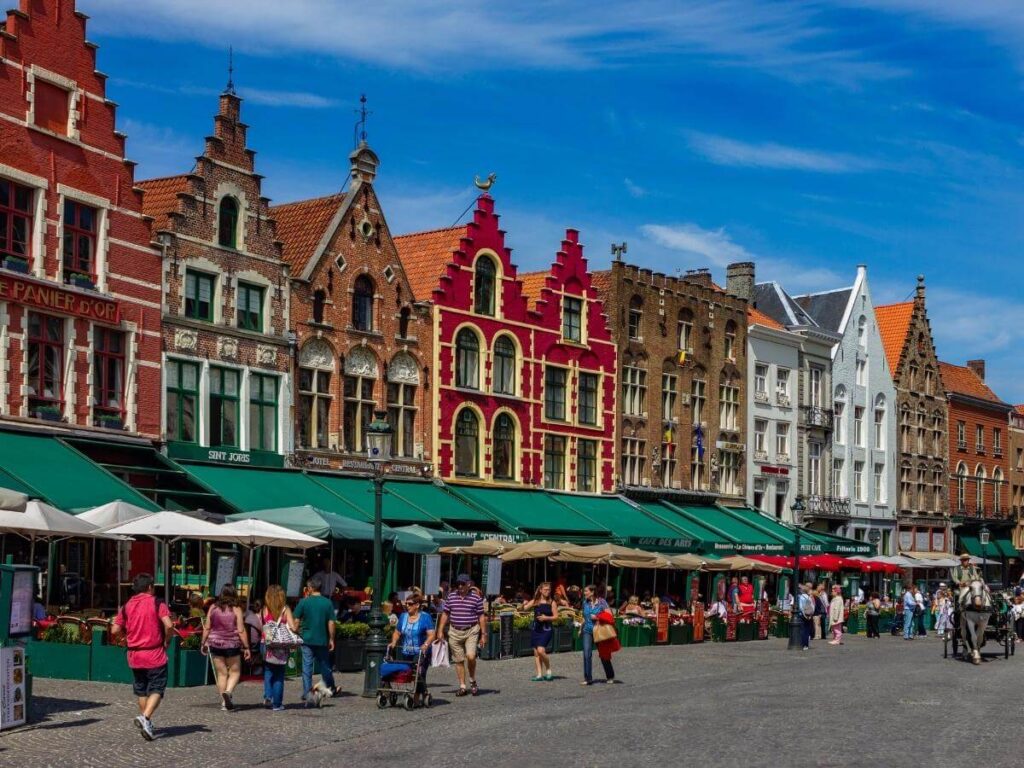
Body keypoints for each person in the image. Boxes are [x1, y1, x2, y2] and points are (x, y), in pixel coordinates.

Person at [110, 573, 173, 741]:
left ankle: (147, 723)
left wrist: (125, 639)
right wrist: (167, 641)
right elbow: (169, 625)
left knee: (142, 690)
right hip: (154, 653)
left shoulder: (127, 606)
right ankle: (145, 718)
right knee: (157, 688)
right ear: (150, 587)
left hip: (135, 655)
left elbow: (114, 630)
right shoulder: (157, 603)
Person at [435, 574, 487, 697]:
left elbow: (481, 616)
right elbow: (445, 614)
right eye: (457, 584)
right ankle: (462, 686)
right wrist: (440, 630)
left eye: (462, 584)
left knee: (471, 656)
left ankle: (472, 679)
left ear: (469, 584)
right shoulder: (451, 597)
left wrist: (483, 635)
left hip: (471, 630)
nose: (459, 586)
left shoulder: (476, 598)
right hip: (454, 631)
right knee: (458, 660)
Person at [200, 584, 250, 711]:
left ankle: (223, 703)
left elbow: (207, 627)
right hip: (232, 644)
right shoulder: (236, 609)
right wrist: (247, 647)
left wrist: (203, 643)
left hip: (215, 643)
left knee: (221, 674)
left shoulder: (213, 607)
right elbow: (240, 630)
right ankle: (228, 692)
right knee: (235, 672)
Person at [292, 576, 338, 705]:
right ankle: (330, 687)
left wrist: (296, 630)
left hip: (306, 639)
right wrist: (332, 639)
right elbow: (331, 623)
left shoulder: (303, 602)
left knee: (307, 668)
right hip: (322, 640)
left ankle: (308, 693)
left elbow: (296, 622)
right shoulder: (327, 602)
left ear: (311, 588)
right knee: (325, 667)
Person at [388, 592, 435, 706]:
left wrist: (426, 644)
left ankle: (416, 697)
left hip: (421, 651)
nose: (407, 606)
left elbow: (432, 634)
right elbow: (397, 632)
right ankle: (423, 692)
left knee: (419, 673)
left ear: (417, 605)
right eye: (406, 604)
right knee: (409, 673)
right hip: (406, 651)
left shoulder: (425, 617)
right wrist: (394, 641)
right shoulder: (403, 616)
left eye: (410, 604)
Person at [261, 584, 294, 711]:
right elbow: (292, 627)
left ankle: (268, 696)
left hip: (266, 643)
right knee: (279, 674)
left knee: (268, 671)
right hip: (281, 645)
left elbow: (262, 626)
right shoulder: (286, 609)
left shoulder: (265, 609)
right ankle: (277, 704)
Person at [581, 584, 615, 685]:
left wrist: (597, 617)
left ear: (592, 592)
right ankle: (588, 678)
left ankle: (610, 676)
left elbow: (610, 615)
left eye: (586, 591)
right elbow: (584, 617)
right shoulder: (585, 603)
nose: (584, 593)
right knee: (587, 654)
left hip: (599, 630)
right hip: (587, 631)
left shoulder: (602, 602)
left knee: (604, 654)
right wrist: (580, 628)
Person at [523, 582, 556, 681]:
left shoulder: (552, 602)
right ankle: (539, 674)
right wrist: (524, 603)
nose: (547, 591)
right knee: (536, 653)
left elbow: (556, 617)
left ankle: (549, 669)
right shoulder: (536, 601)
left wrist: (546, 618)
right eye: (545, 589)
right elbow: (525, 608)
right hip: (536, 629)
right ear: (540, 590)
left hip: (546, 630)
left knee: (541, 651)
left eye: (549, 589)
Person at [797, 582, 815, 651]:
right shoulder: (809, 597)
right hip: (809, 616)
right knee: (807, 631)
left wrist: (804, 614)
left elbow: (801, 607)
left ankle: (802, 644)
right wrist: (810, 615)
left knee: (802, 630)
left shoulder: (801, 597)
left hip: (802, 616)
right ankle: (806, 645)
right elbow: (812, 607)